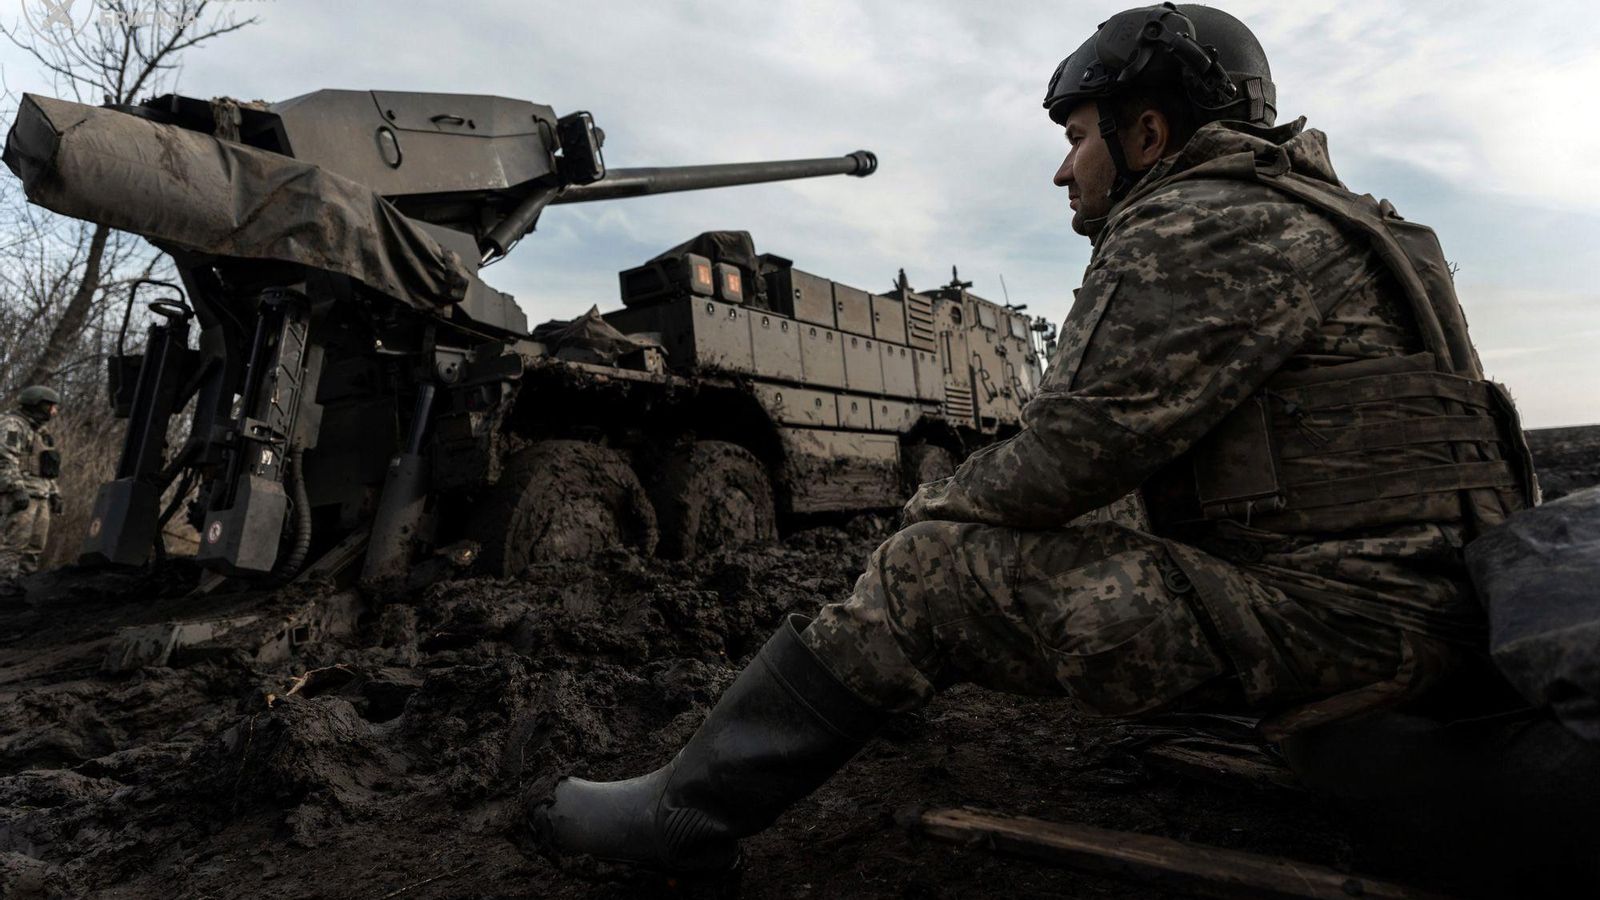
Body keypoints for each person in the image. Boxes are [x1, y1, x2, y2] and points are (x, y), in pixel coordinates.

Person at [533, 3, 1537, 872]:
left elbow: (1064, 457)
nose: (1064, 170)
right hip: (1433, 603)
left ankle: (684, 818)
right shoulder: (1359, 222)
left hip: (1357, 631)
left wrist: (918, 521)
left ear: (1148, 131)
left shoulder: (1196, 223)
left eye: (1078, 136)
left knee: (928, 570)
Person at [0, 385, 63, 580]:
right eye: (50, 406)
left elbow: (46, 469)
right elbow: (4, 459)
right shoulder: (12, 424)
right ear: (37, 404)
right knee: (14, 544)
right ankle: (5, 585)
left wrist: (54, 492)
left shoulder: (41, 432)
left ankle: (25, 584)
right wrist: (16, 489)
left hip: (40, 493)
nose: (54, 411)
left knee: (35, 546)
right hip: (21, 494)